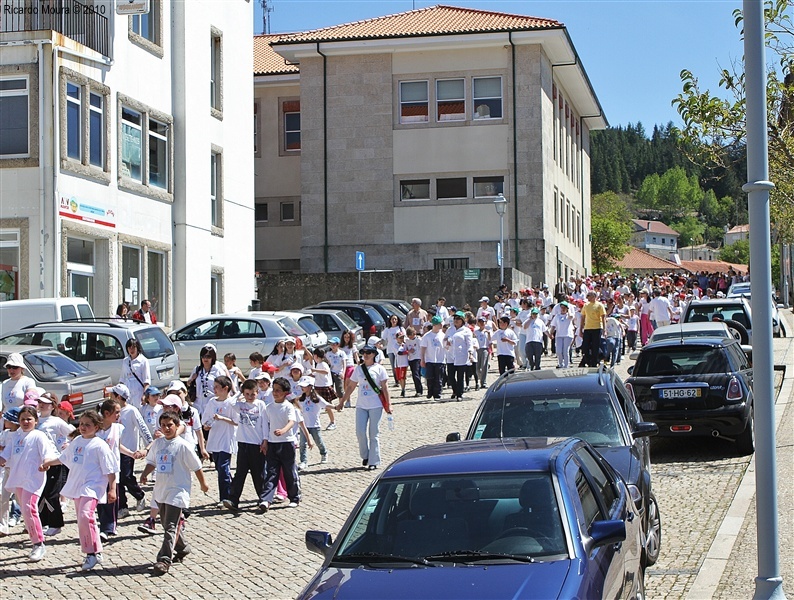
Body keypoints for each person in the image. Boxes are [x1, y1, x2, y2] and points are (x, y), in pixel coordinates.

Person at [40, 410, 117, 571]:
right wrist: (48, 463)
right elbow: (63, 458)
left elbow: (110, 469)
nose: (83, 427)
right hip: (77, 486)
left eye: (87, 425)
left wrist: (113, 489)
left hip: (93, 486)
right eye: (81, 424)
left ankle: (91, 553)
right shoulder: (76, 442)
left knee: (85, 515)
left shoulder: (100, 445)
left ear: (96, 427)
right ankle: (96, 549)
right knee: (84, 521)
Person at [139, 411, 209, 574]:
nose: (166, 428)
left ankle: (164, 560)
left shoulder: (183, 446)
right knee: (165, 523)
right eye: (163, 425)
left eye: (170, 425)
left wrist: (203, 483)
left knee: (170, 526)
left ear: (177, 426)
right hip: (162, 490)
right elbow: (152, 462)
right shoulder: (158, 444)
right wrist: (144, 473)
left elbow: (196, 466)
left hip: (178, 491)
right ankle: (183, 547)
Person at [0, 406, 58, 562]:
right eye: (22, 419)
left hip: (34, 479)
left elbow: (47, 455)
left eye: (29, 419)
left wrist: (46, 463)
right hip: (18, 479)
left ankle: (39, 544)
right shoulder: (16, 436)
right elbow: (5, 455)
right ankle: (35, 539)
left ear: (36, 420)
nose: (25, 422)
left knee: (28, 508)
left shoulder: (38, 436)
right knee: (26, 512)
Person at [336, 345, 391, 471]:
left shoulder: (380, 369)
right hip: (361, 405)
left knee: (374, 433)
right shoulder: (359, 369)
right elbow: (351, 386)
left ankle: (374, 460)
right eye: (364, 353)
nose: (365, 355)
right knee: (360, 432)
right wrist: (342, 401)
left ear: (373, 354)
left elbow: (385, 387)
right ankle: (365, 455)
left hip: (376, 405)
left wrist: (389, 404)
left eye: (368, 353)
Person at [96, 398, 141, 542]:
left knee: (111, 497)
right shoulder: (96, 428)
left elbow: (117, 446)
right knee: (99, 498)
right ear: (107, 413)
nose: (118, 416)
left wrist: (130, 453)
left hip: (112, 468)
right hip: (97, 468)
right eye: (116, 413)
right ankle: (102, 523)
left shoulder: (118, 428)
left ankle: (108, 527)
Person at [35, 391, 75, 537]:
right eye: (40, 402)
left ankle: (56, 523)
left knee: (52, 493)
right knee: (40, 493)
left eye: (45, 403)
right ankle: (42, 521)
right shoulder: (35, 420)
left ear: (52, 406)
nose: (41, 405)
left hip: (54, 462)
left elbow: (74, 433)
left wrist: (69, 445)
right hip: (38, 462)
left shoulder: (56, 422)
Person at [259, 377, 301, 511]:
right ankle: (266, 499)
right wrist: (265, 441)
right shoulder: (269, 408)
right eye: (274, 390)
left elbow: (291, 421)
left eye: (278, 391)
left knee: (289, 471)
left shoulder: (288, 406)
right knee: (271, 472)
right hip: (272, 444)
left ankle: (294, 497)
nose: (275, 393)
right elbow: (266, 426)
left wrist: (283, 430)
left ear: (285, 392)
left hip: (286, 443)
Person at [111, 383, 153, 518]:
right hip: (115, 450)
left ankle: (139, 495)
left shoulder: (131, 411)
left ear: (118, 397)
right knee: (117, 479)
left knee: (127, 477)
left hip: (129, 450)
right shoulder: (110, 411)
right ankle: (122, 507)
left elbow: (142, 427)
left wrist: (149, 446)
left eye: (112, 394)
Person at [226, 379, 268, 513]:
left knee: (258, 473)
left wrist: (265, 440)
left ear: (257, 393)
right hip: (243, 443)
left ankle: (263, 499)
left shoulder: (261, 405)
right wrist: (238, 392)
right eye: (247, 394)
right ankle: (233, 499)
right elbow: (230, 403)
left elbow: (265, 424)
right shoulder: (241, 405)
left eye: (252, 394)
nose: (250, 397)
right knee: (240, 473)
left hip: (257, 444)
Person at [201, 376, 237, 507]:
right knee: (219, 467)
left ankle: (224, 498)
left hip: (226, 440)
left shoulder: (231, 403)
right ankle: (233, 488)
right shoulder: (212, 402)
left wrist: (222, 418)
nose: (214, 389)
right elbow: (205, 419)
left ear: (225, 388)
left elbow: (236, 422)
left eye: (217, 387)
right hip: (215, 439)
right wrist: (206, 425)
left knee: (223, 468)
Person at [296, 376, 331, 470]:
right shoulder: (301, 399)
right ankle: (303, 461)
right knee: (302, 444)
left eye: (305, 386)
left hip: (315, 425)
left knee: (318, 441)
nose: (302, 388)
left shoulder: (317, 399)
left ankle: (324, 453)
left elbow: (326, 405)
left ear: (310, 387)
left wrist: (336, 407)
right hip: (304, 425)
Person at [187, 344, 229, 417]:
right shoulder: (197, 369)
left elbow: (225, 386)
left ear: (213, 358)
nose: (205, 359)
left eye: (208, 357)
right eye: (203, 356)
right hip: (198, 404)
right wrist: (192, 379)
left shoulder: (217, 370)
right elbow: (188, 384)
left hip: (212, 403)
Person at [446, 311, 473, 400]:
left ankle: (459, 394)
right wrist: (446, 342)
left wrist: (470, 353)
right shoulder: (450, 329)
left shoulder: (466, 331)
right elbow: (445, 339)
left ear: (462, 320)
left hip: (461, 355)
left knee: (460, 376)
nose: (456, 320)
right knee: (450, 376)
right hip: (450, 355)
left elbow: (469, 343)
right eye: (455, 319)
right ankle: (455, 390)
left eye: (458, 319)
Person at [309, 348, 337, 430]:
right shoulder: (318, 364)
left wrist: (314, 370)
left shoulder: (323, 364)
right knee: (317, 405)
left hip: (324, 387)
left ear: (316, 355)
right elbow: (319, 375)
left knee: (327, 405)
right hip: (318, 386)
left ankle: (333, 422)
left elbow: (325, 372)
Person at [419, 316, 445, 401]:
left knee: (438, 378)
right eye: (439, 324)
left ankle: (437, 394)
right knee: (429, 377)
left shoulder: (443, 335)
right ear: (435, 325)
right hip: (429, 359)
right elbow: (423, 348)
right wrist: (422, 359)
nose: (441, 325)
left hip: (440, 360)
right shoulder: (427, 336)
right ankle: (430, 391)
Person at [120, 339, 150, 408]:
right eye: (129, 348)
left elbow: (146, 381)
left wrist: (144, 395)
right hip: (128, 393)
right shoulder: (125, 361)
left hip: (138, 394)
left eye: (133, 347)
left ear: (137, 348)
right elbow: (122, 379)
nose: (131, 350)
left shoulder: (143, 361)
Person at [579, 291, 606, 368]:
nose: (588, 298)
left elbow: (603, 317)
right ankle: (587, 360)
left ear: (594, 296)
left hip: (597, 328)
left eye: (589, 296)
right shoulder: (586, 305)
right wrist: (581, 329)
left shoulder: (600, 305)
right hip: (587, 328)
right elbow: (583, 317)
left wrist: (604, 329)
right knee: (585, 346)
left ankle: (594, 363)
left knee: (595, 346)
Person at [549, 301, 575, 368]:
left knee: (565, 351)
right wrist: (551, 333)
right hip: (559, 335)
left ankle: (566, 365)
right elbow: (553, 325)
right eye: (562, 307)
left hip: (567, 335)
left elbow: (571, 316)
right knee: (558, 351)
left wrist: (568, 310)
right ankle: (560, 364)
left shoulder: (569, 315)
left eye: (564, 307)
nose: (563, 309)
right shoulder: (557, 316)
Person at [382, 314, 405, 383]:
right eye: (392, 319)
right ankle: (396, 380)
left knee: (398, 365)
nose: (394, 320)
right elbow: (384, 338)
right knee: (393, 366)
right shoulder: (387, 329)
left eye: (395, 319)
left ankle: (400, 378)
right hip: (390, 349)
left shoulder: (401, 329)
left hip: (399, 349)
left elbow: (405, 338)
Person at [403, 326, 423, 397]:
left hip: (417, 358)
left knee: (416, 374)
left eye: (411, 335)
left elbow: (422, 348)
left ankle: (419, 390)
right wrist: (408, 351)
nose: (410, 337)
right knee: (415, 375)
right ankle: (418, 389)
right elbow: (405, 349)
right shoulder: (407, 341)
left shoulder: (418, 340)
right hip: (411, 359)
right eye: (408, 336)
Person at [473, 317, 491, 389]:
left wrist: (489, 334)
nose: (481, 323)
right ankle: (479, 378)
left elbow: (490, 341)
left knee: (484, 366)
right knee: (477, 367)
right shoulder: (475, 332)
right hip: (477, 349)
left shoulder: (487, 331)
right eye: (480, 322)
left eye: (483, 322)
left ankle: (483, 382)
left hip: (485, 349)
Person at [393, 332, 410, 398]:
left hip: (404, 363)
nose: (401, 339)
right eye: (400, 338)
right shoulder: (395, 345)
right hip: (397, 363)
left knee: (403, 377)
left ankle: (403, 389)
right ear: (397, 338)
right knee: (399, 378)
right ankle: (402, 387)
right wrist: (408, 352)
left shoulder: (405, 345)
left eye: (402, 337)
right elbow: (399, 353)